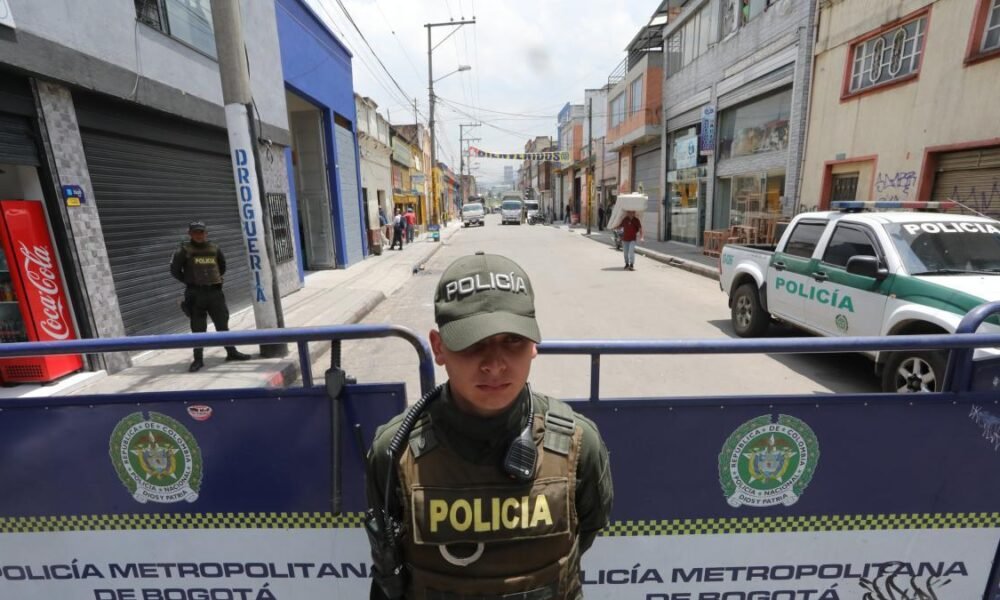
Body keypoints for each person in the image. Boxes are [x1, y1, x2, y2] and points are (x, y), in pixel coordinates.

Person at [365, 252, 614, 600]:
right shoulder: (395, 452)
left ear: (534, 345)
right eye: (473, 342)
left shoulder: (578, 444)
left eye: (513, 340)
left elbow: (585, 531)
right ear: (438, 347)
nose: (495, 365)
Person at [169, 221, 252, 372]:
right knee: (198, 328)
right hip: (195, 294)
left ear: (206, 233)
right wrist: (189, 281)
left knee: (222, 325)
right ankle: (198, 359)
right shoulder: (183, 250)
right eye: (195, 232)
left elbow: (222, 266)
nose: (199, 235)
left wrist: (213, 279)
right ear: (190, 234)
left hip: (215, 293)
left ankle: (231, 352)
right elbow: (175, 270)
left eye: (201, 232)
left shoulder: (214, 248)